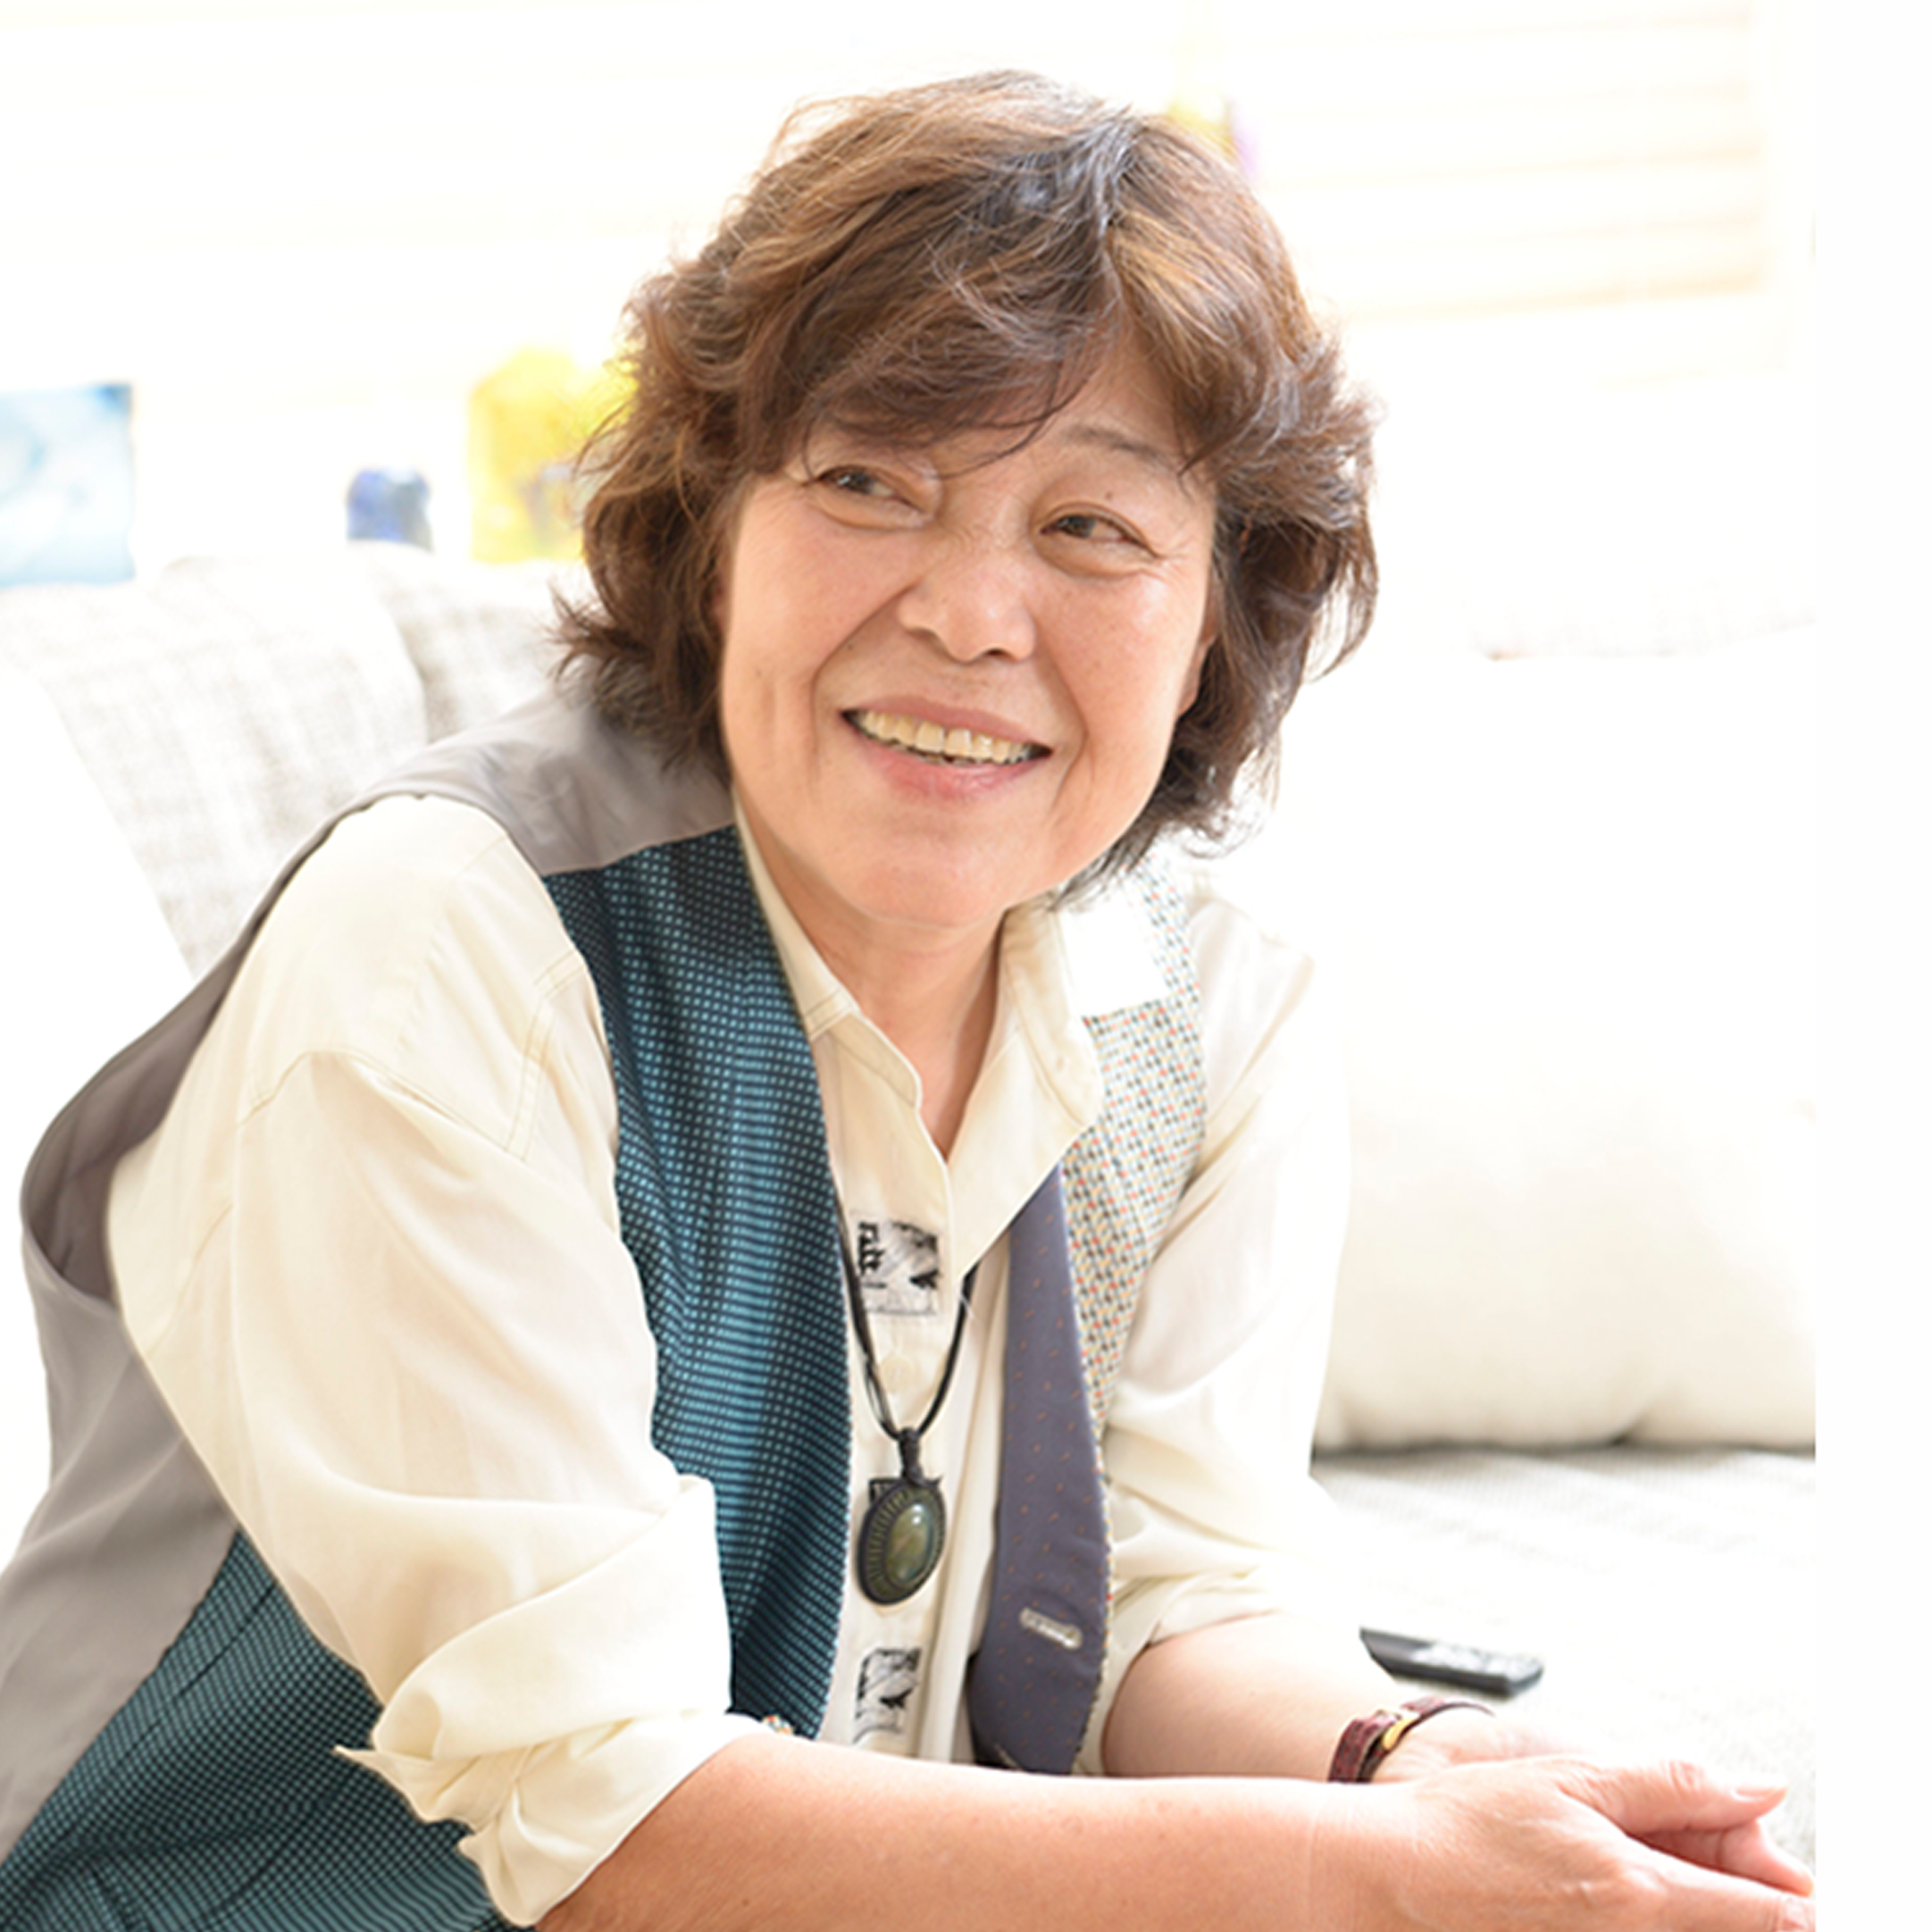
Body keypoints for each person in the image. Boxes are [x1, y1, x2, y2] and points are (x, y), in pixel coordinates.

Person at [0, 70, 1812, 1932]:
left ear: (1216, 613)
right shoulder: (453, 945)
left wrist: (1420, 1766)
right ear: (714, 521)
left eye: (1092, 527)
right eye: (871, 482)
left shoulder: (1211, 991)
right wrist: (1366, 1877)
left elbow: (1175, 1599)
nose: (969, 613)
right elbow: (607, 1810)